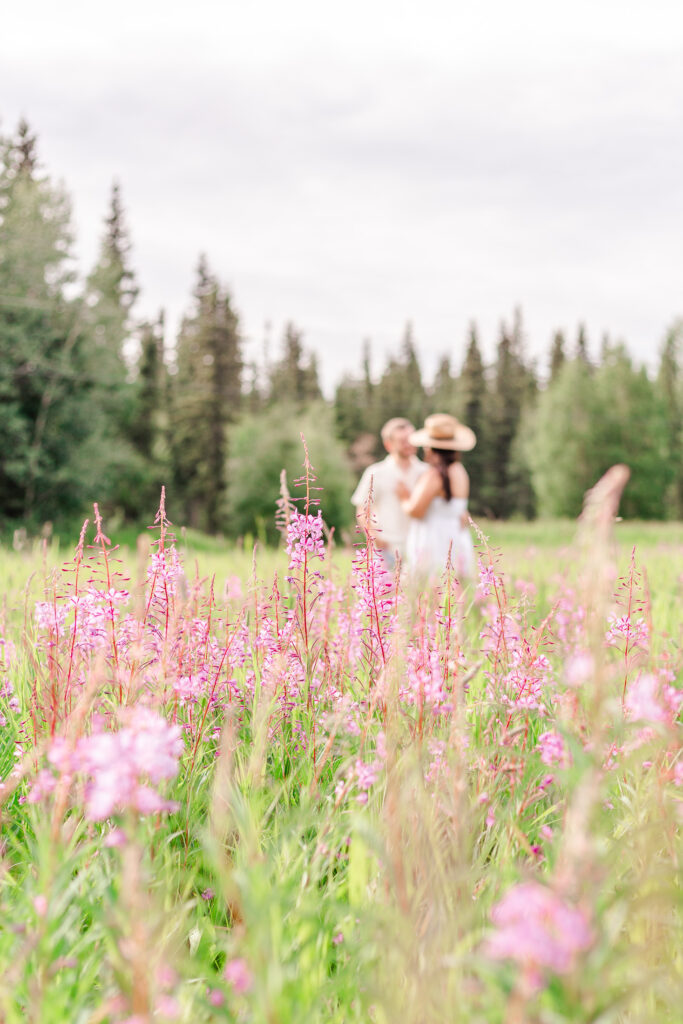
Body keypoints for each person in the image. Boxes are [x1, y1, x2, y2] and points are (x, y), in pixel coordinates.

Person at [396, 413, 476, 579]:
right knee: (454, 591)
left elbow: (416, 510)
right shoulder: (460, 471)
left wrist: (404, 498)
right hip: (457, 537)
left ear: (430, 447)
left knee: (430, 589)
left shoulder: (435, 475)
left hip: (433, 540)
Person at [351, 417, 428, 569]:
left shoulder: (426, 471)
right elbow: (362, 509)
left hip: (420, 547)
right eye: (403, 440)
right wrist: (374, 537)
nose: (409, 444)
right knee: (386, 592)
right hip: (387, 548)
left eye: (411, 439)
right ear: (388, 444)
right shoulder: (375, 472)